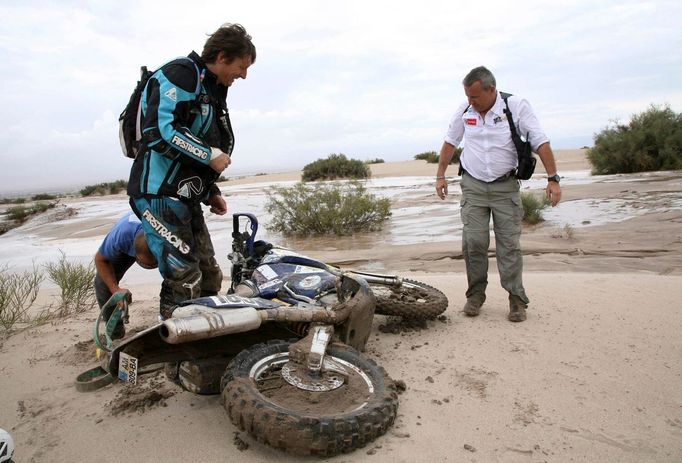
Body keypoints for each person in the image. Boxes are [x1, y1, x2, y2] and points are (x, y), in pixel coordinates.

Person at [127, 23, 256, 319]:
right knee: (184, 278)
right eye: (241, 66)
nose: (243, 75)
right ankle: (176, 349)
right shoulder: (181, 74)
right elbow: (158, 131)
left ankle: (204, 337)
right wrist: (209, 155)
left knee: (210, 275)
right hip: (158, 193)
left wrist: (211, 191)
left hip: (184, 196)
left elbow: (202, 139)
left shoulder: (211, 88)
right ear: (222, 56)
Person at [435, 66, 561, 322]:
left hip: (505, 187)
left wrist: (553, 178)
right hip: (473, 185)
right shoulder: (465, 110)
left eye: (475, 97)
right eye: (468, 96)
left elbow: (540, 141)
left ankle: (517, 300)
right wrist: (440, 176)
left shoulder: (515, 107)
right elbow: (450, 142)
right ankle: (475, 296)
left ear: (491, 90)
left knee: (509, 246)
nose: (471, 101)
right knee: (473, 243)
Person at [94, 211, 157, 338]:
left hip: (163, 244)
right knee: (102, 283)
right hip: (130, 237)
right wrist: (115, 290)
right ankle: (115, 333)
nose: (149, 268)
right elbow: (100, 260)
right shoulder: (121, 237)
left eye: (153, 265)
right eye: (145, 265)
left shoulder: (170, 235)